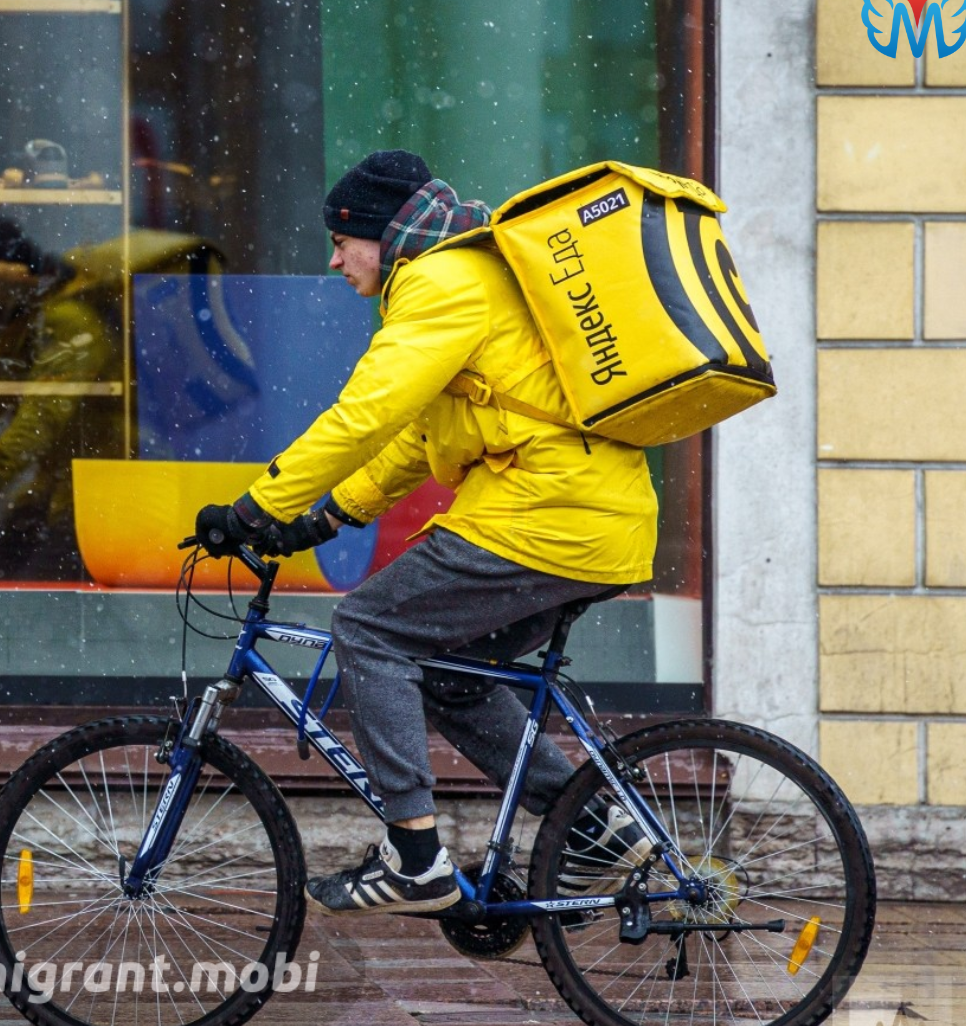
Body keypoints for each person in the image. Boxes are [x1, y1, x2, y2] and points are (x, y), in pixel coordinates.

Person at [192, 151, 659, 914]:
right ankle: (593, 826)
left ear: (383, 234)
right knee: (450, 673)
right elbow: (414, 438)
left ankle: (414, 855)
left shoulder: (442, 284)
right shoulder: (468, 278)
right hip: (590, 521)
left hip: (546, 520)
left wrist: (255, 508)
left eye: (343, 240)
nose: (334, 257)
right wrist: (328, 515)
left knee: (369, 626)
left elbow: (363, 414)